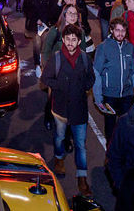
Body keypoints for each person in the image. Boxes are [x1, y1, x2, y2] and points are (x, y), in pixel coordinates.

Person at [40, 24, 96, 196]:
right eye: (67, 39)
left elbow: (91, 77)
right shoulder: (56, 58)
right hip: (60, 109)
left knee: (80, 145)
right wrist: (60, 86)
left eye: (74, 39)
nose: (70, 43)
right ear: (63, 40)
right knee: (59, 137)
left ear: (79, 41)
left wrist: (84, 87)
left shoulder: (85, 58)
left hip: (79, 109)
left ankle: (82, 177)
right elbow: (45, 78)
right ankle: (59, 159)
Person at [92, 17, 134, 142]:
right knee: (110, 127)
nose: (120, 33)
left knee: (127, 126)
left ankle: (125, 149)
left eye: (123, 30)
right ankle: (110, 150)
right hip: (109, 96)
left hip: (127, 95)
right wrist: (98, 97)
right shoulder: (103, 47)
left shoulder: (130, 48)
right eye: (117, 30)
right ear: (111, 30)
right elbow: (96, 73)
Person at [23, 0, 52, 73]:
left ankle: (43, 60)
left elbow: (49, 9)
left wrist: (44, 20)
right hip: (33, 24)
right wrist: (36, 19)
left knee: (45, 41)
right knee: (37, 42)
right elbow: (26, 10)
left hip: (45, 24)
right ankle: (37, 64)